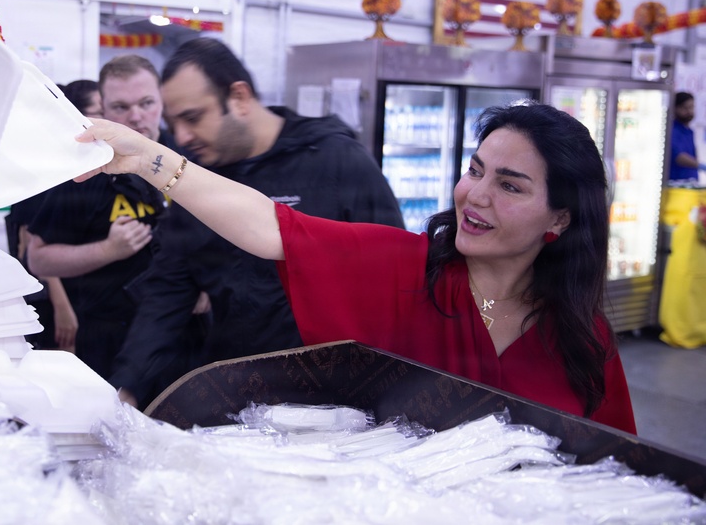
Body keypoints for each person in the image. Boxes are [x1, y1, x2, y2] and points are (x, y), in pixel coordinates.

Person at [78, 100, 637, 433]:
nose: (476, 195)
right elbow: (269, 226)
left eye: (509, 185)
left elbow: (615, 466)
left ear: (559, 219)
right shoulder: (405, 271)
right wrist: (147, 159)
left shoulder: (583, 336)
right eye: (476, 170)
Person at [108, 38, 405, 409]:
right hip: (239, 397)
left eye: (193, 117)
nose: (181, 137)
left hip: (338, 399)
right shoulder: (197, 180)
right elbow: (165, 297)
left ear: (239, 97)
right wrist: (127, 389)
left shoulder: (335, 159)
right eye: (174, 122)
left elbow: (396, 278)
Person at [25, 56, 175, 379]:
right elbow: (37, 259)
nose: (136, 116)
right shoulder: (87, 170)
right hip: (111, 340)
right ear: (103, 109)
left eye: (146, 103)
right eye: (121, 107)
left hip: (181, 332)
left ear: (162, 100)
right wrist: (108, 250)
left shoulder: (184, 157)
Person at [6, 79, 102, 351]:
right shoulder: (43, 167)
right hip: (48, 296)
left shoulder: (85, 163)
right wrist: (62, 307)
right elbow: (29, 241)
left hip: (79, 291)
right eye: (100, 110)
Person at [669, 91, 704, 182]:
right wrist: (699, 165)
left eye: (691, 107)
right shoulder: (671, 130)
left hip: (691, 182)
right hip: (675, 183)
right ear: (675, 108)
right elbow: (678, 156)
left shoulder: (689, 131)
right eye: (685, 108)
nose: (689, 111)